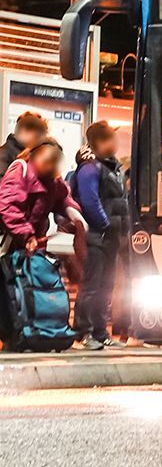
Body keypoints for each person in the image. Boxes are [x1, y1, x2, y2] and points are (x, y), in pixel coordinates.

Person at [0, 138, 88, 346]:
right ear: (33, 155)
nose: (49, 165)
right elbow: (8, 205)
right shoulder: (19, 170)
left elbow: (63, 198)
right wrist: (26, 234)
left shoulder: (53, 180)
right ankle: (12, 334)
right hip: (11, 241)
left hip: (30, 244)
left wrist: (74, 215)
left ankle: (23, 333)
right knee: (7, 288)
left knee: (18, 289)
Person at [71, 122, 129, 351]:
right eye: (108, 139)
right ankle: (83, 333)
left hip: (111, 236)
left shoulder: (113, 166)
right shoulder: (90, 168)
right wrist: (105, 225)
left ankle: (101, 332)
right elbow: (90, 202)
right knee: (91, 286)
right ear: (97, 142)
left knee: (106, 287)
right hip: (96, 237)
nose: (114, 143)